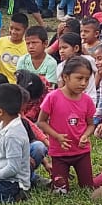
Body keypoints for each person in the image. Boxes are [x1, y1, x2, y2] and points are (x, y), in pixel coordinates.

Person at [39, 56, 97, 191]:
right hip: (59, 153)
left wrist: (85, 135)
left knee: (88, 187)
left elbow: (91, 125)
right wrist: (57, 136)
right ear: (65, 77)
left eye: (87, 79)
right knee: (60, 190)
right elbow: (41, 122)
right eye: (79, 78)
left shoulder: (87, 100)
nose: (83, 83)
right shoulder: (53, 97)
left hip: (81, 152)